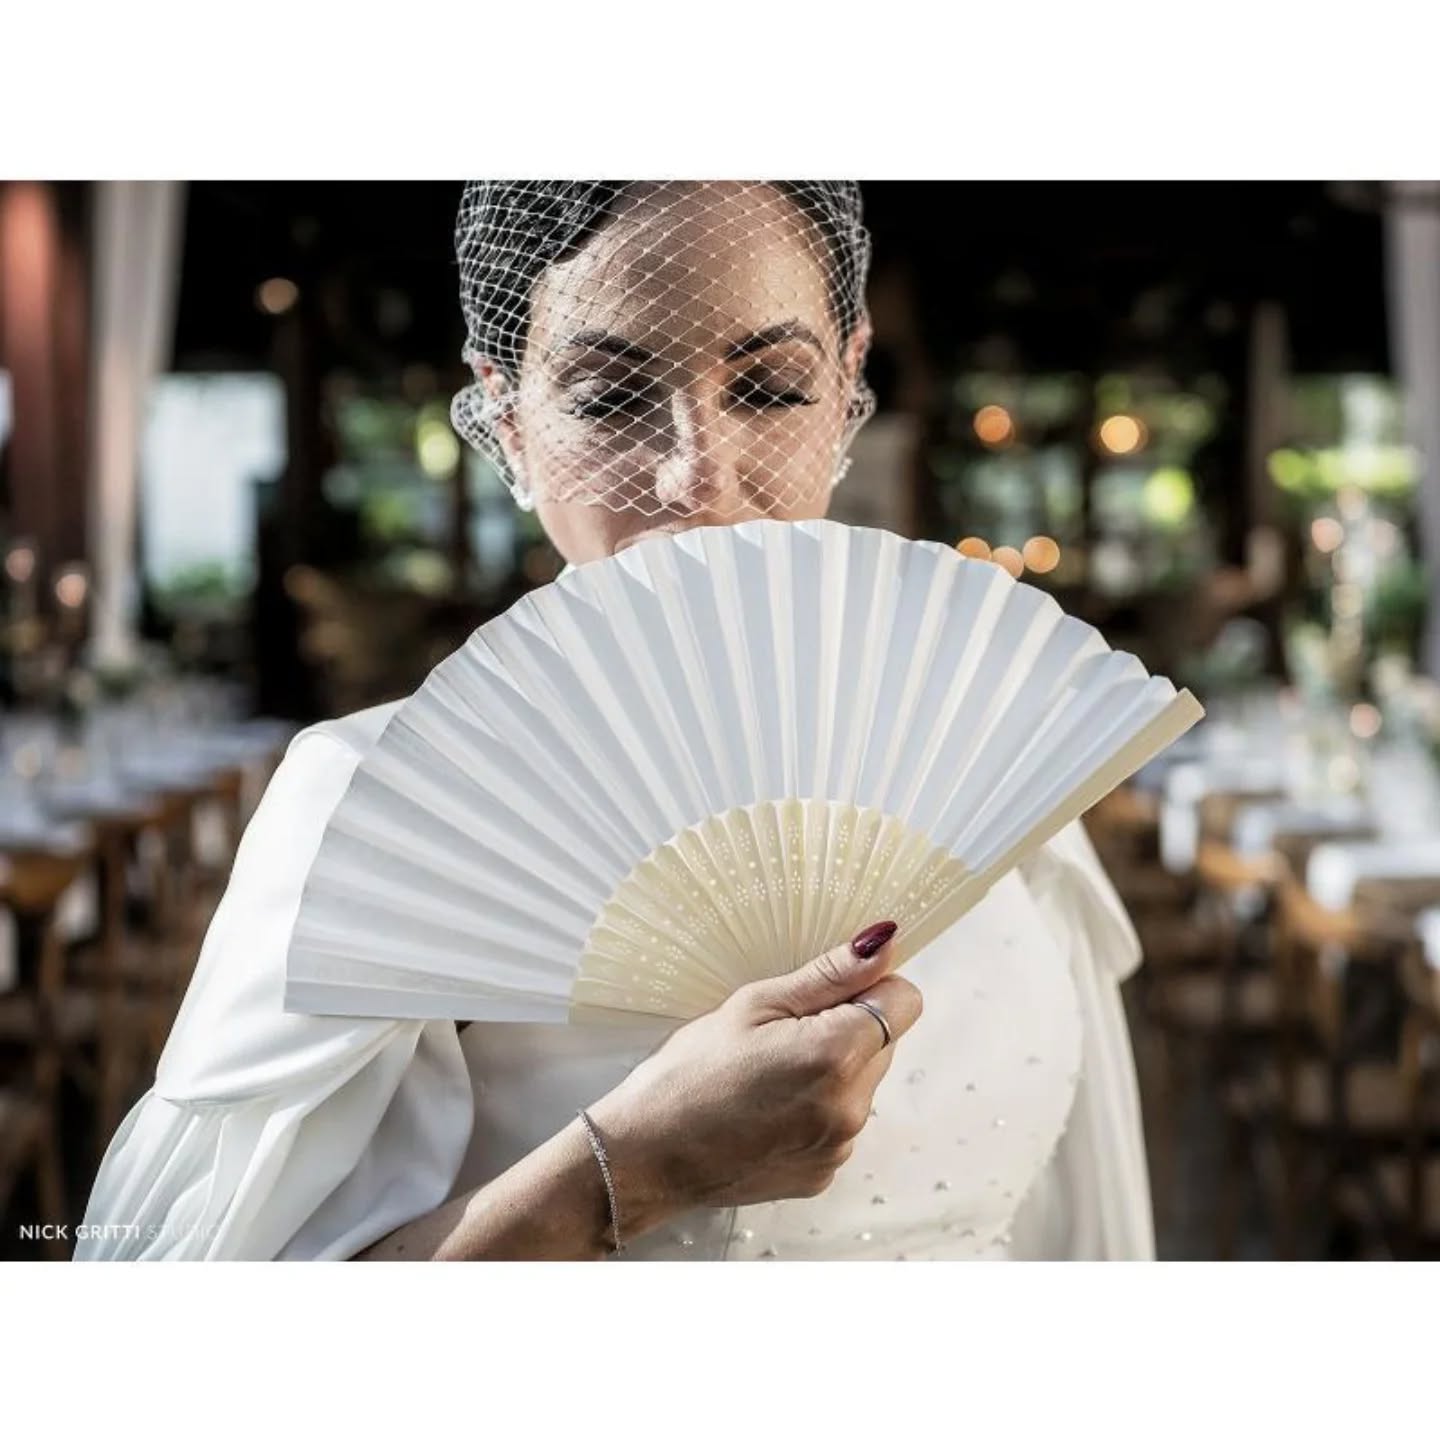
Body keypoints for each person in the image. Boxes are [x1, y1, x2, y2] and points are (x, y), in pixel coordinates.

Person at [76, 181, 1153, 1261]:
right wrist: (630, 1168)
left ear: (847, 389)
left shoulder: (984, 755)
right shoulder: (380, 795)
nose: (696, 477)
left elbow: (1085, 1224)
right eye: (608, 399)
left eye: (772, 388)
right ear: (508, 419)